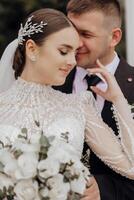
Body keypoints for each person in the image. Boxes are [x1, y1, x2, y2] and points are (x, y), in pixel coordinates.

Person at [0, 8, 134, 200]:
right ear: (31, 49)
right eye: (64, 51)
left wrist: (118, 100)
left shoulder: (78, 105)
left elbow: (131, 167)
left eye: (74, 52)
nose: (72, 61)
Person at [53, 0, 134, 199]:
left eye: (86, 34)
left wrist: (105, 189)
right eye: (72, 30)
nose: (76, 42)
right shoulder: (50, 82)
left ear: (114, 37)